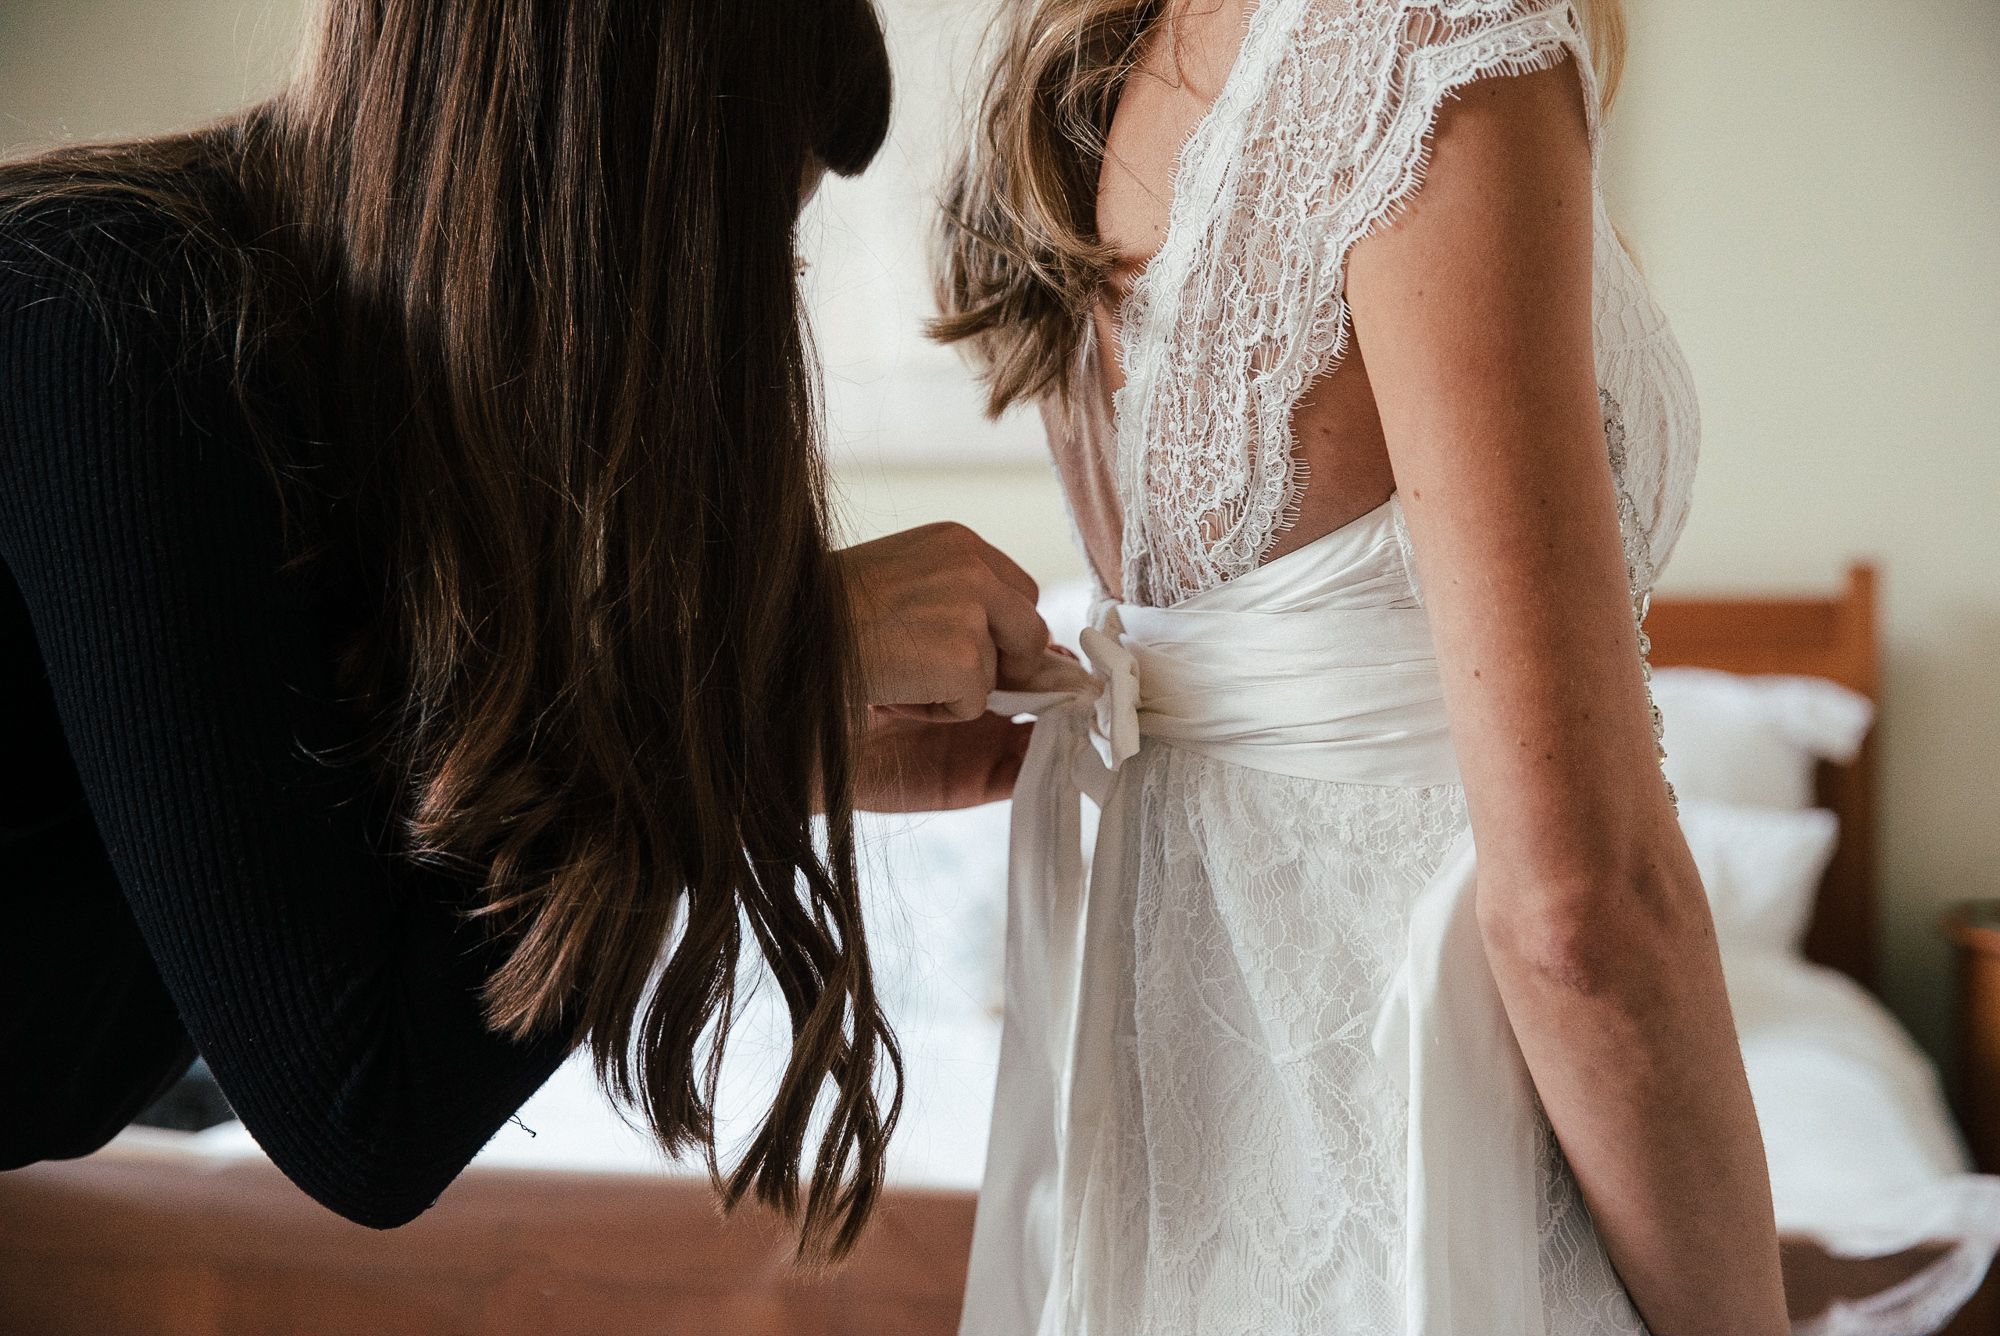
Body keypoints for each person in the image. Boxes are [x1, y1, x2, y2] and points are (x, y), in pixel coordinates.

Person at [0, 0, 1045, 1259]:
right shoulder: (109, 328)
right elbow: (361, 1111)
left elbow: (345, 914)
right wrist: (755, 681)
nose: (756, 321)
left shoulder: (324, 391)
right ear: (599, 198)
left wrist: (755, 743)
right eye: (747, 246)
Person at [935, 0, 1791, 1330]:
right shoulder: (1431, 44)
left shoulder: (1125, 55)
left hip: (1197, 1143)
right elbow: (1580, 907)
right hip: (1440, 1163)